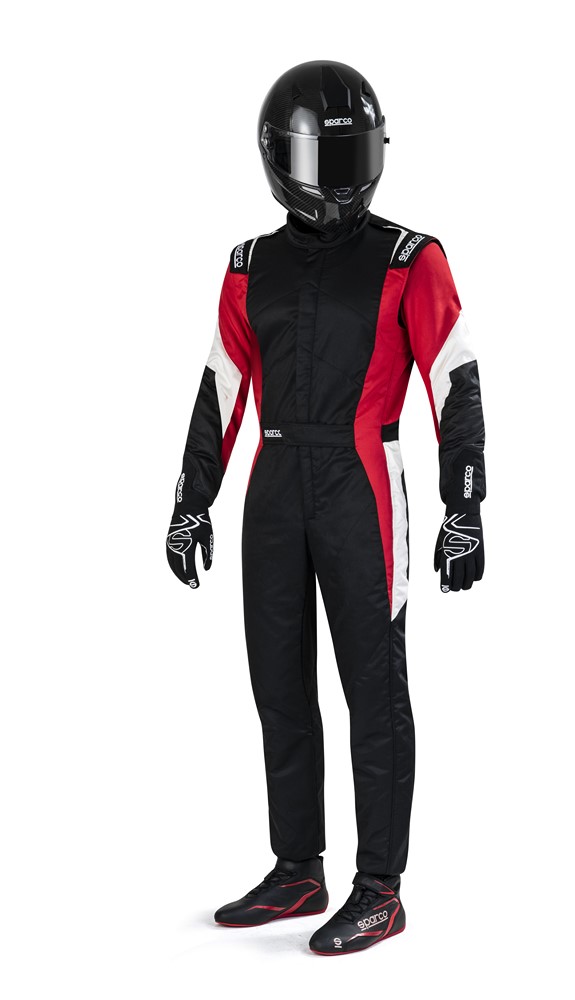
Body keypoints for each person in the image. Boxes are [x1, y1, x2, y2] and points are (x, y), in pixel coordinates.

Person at [166, 60, 486, 955]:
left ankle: (379, 888)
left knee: (373, 693)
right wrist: (191, 501)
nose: (338, 180)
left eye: (351, 159)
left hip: (362, 485)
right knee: (279, 687)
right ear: (279, 159)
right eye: (320, 160)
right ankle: (297, 869)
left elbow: (455, 382)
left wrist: (465, 504)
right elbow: (220, 389)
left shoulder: (410, 257)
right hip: (273, 486)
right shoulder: (249, 266)